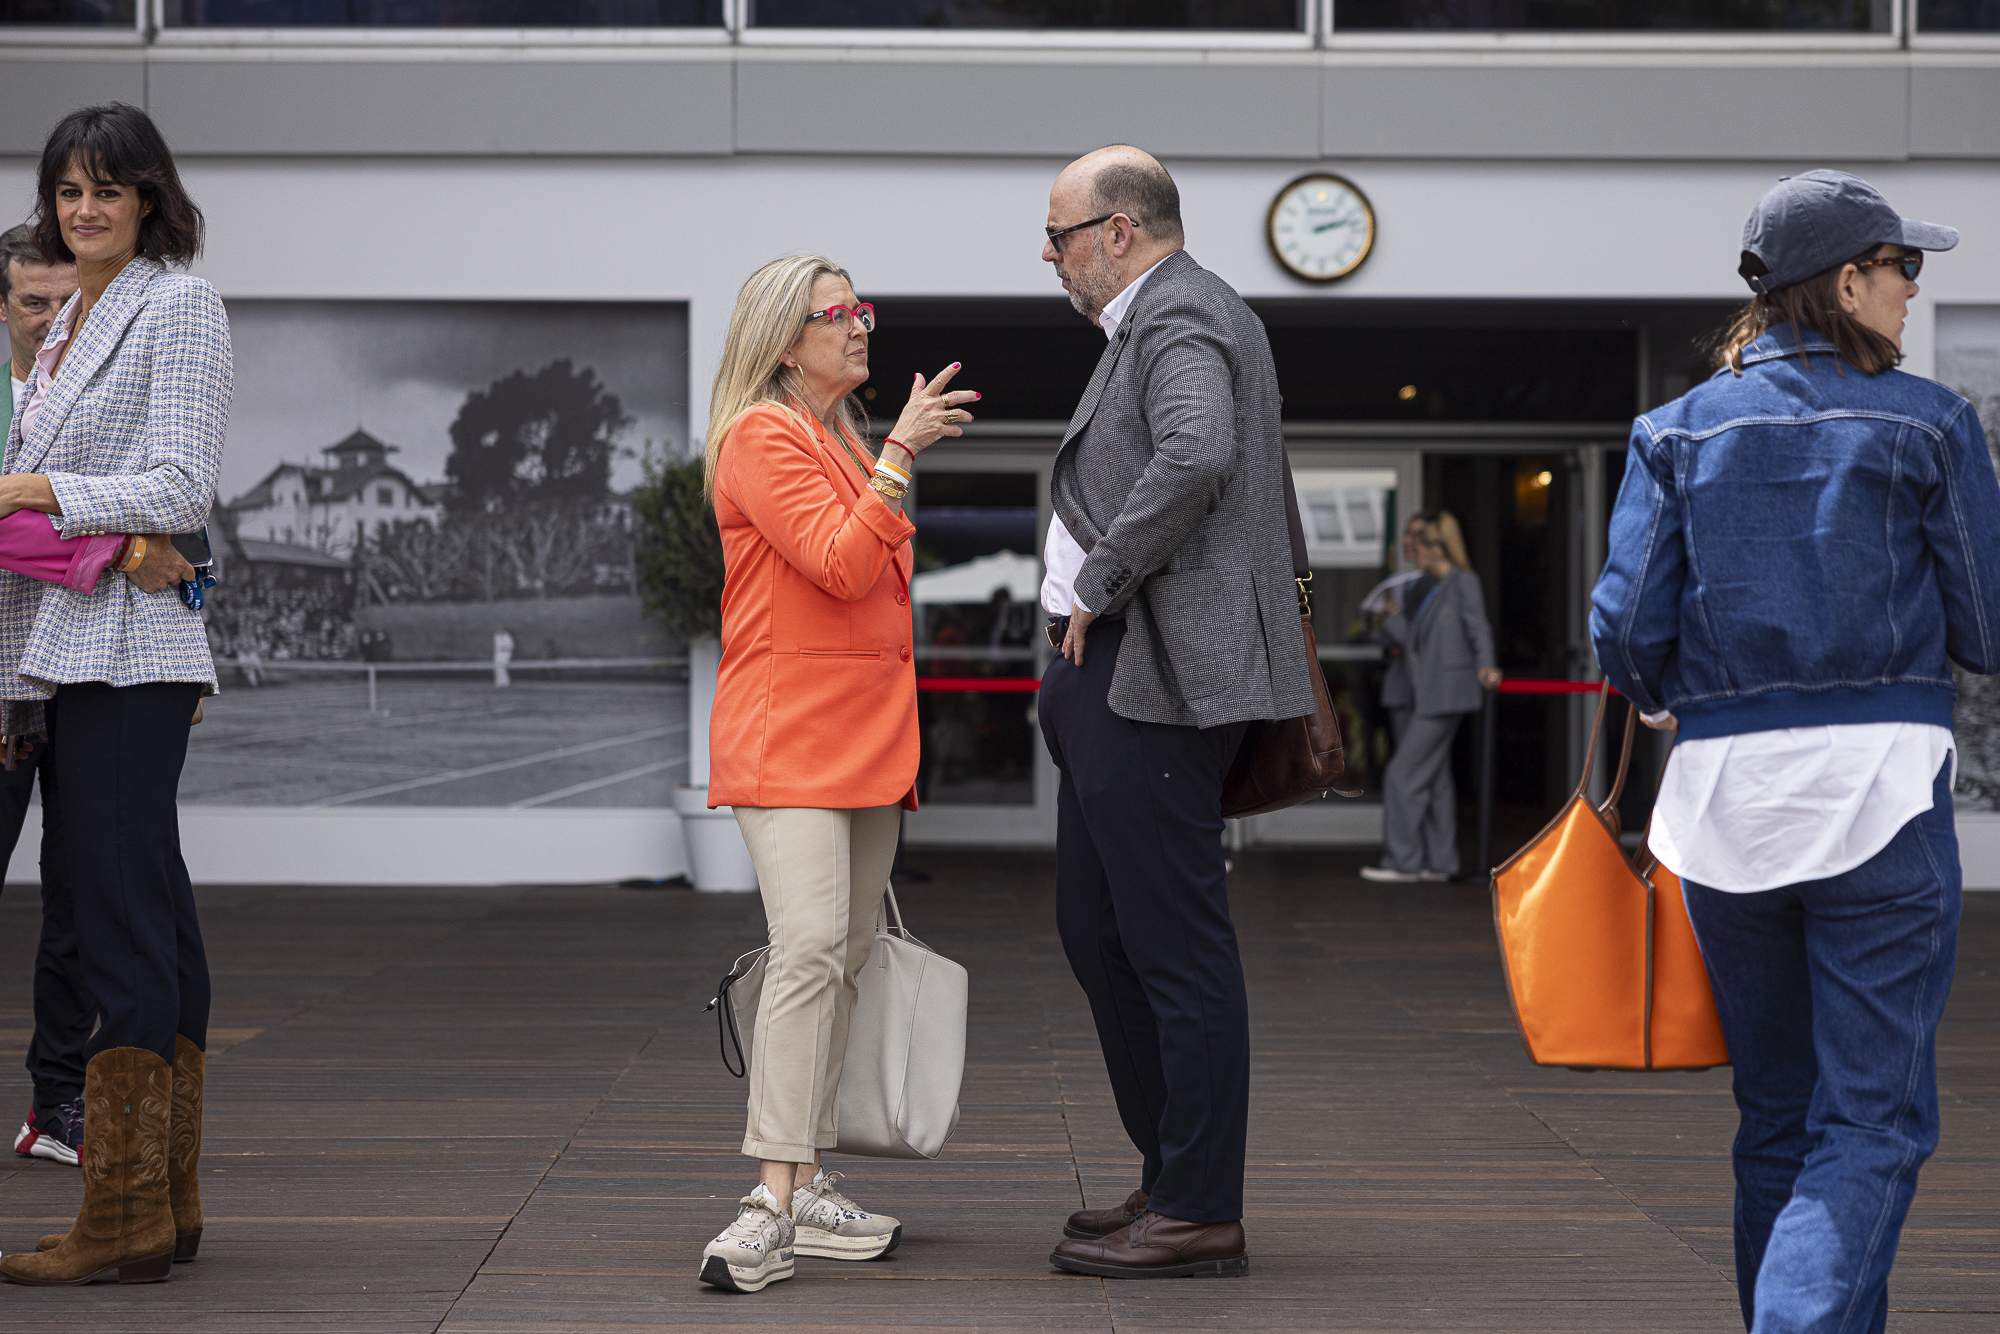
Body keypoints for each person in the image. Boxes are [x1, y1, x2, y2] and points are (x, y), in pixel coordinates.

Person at [1590, 169, 2000, 1333]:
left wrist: (1675, 692)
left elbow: (1621, 628)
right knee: (1868, 1121)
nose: (1914, 291)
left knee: (1776, 1112)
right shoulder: (1926, 420)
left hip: (1723, 803)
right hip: (1876, 792)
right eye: (1901, 267)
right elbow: (1983, 623)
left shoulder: (1672, 429)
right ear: (1845, 281)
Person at [1035, 146, 1312, 1280]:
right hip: (1127, 679)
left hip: (1154, 681)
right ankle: (1173, 1166)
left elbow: (1198, 448)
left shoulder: (1179, 314)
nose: (1046, 260)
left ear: (1116, 231)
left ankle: (1197, 1204)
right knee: (1097, 930)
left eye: (1055, 237)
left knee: (1171, 943)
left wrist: (1098, 579)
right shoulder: (1165, 320)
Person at [697, 253, 977, 1294]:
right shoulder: (763, 434)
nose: (859, 325)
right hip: (790, 736)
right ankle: (768, 1198)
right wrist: (902, 448)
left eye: (862, 308)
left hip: (860, 736)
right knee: (809, 949)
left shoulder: (837, 433)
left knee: (845, 956)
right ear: (783, 338)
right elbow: (842, 563)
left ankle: (807, 1178)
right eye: (836, 312)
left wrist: (884, 448)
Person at [0, 102, 229, 1287]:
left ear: (149, 196)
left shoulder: (175, 301)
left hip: (131, 652)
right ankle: (161, 1204)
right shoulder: (76, 311)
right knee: (148, 907)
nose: (84, 208)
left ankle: (124, 1212)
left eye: (106, 188)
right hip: (74, 648)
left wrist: (30, 483)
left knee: (120, 911)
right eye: (68, 190)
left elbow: (185, 477)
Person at [2, 220, 190, 1172]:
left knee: (86, 905)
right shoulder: (25, 409)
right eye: (31, 303)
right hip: (8, 688)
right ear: (4, 309)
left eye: (60, 300)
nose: (48, 317)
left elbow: (184, 524)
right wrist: (117, 546)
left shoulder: (87, 391)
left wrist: (180, 608)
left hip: (81, 675)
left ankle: (59, 1106)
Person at [1361, 510, 1501, 883]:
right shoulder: (1426, 584)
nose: (1414, 549)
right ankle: (1441, 863)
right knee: (1435, 779)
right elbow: (1415, 641)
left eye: (1421, 543)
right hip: (1429, 692)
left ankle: (1403, 862)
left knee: (1401, 775)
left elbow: (1478, 627)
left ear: (1439, 546)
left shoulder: (1462, 582)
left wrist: (1487, 665)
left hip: (1445, 693)